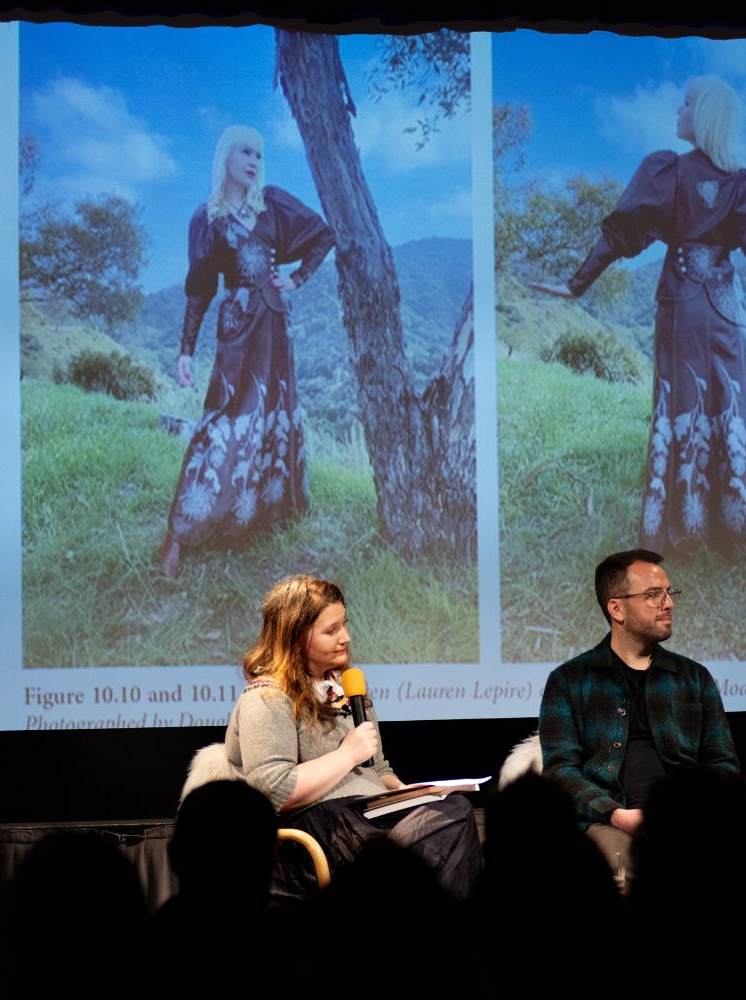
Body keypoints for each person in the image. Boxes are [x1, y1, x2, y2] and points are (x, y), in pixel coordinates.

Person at [531, 78, 746, 559]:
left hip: (680, 307)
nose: (678, 109)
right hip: (727, 309)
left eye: (688, 103)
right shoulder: (743, 184)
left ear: (707, 115)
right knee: (732, 411)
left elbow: (620, 233)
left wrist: (577, 283)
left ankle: (680, 528)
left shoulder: (666, 172)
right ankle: (735, 530)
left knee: (683, 410)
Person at [223, 574, 481, 897]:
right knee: (444, 827)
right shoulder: (265, 698)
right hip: (320, 830)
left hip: (368, 818)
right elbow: (272, 790)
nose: (346, 637)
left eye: (344, 624)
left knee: (451, 810)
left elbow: (379, 769)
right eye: (331, 630)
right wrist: (346, 755)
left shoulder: (348, 687)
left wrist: (411, 795)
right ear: (295, 636)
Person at [157, 125, 336, 577]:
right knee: (220, 422)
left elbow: (322, 235)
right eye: (245, 151)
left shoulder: (271, 203)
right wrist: (184, 350)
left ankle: (251, 523)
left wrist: (295, 279)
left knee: (272, 418)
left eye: (259, 153)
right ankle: (180, 534)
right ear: (225, 158)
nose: (254, 160)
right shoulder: (207, 218)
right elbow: (199, 290)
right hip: (237, 327)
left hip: (275, 325)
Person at [538, 548, 739, 871]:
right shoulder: (569, 681)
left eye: (669, 593)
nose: (669, 603)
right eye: (653, 595)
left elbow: (723, 764)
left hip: (689, 821)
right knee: (621, 866)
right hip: (610, 823)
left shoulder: (693, 677)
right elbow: (560, 771)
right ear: (616, 608)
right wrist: (615, 813)